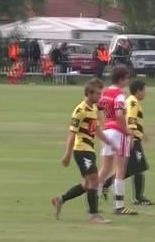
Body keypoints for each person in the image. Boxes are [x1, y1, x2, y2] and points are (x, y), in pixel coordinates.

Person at [50, 80, 118, 225]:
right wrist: (67, 155)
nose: (100, 97)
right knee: (94, 179)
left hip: (90, 150)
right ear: (89, 94)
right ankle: (94, 215)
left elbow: (97, 130)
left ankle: (60, 199)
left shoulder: (93, 108)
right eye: (98, 94)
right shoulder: (80, 111)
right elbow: (72, 134)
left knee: (88, 184)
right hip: (81, 150)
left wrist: (110, 142)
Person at [102, 80, 155, 205]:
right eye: (144, 91)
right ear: (138, 91)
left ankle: (107, 184)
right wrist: (135, 136)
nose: (145, 94)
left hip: (133, 138)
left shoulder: (132, 101)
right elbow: (130, 121)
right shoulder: (133, 102)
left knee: (132, 168)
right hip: (133, 139)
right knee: (137, 168)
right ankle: (137, 197)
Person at [97, 66, 138, 215]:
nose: (128, 81)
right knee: (120, 169)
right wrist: (127, 131)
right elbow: (120, 115)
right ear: (121, 79)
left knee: (104, 169)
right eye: (127, 78)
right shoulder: (120, 95)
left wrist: (104, 125)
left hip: (107, 131)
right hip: (117, 133)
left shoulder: (105, 92)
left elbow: (99, 110)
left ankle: (94, 202)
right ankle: (119, 205)